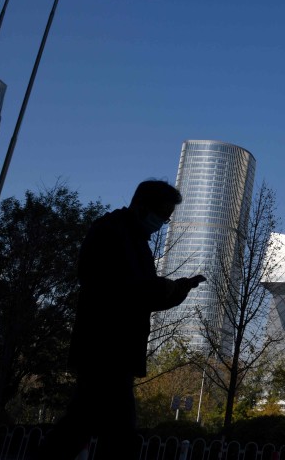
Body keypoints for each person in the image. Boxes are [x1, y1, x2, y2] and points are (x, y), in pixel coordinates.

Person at [38, 180, 205, 460]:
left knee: (87, 424)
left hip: (119, 349)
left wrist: (178, 289)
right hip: (104, 345)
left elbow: (144, 296)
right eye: (161, 215)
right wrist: (158, 287)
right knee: (113, 432)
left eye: (166, 218)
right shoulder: (110, 230)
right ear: (141, 206)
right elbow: (106, 283)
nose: (162, 222)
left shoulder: (138, 242)